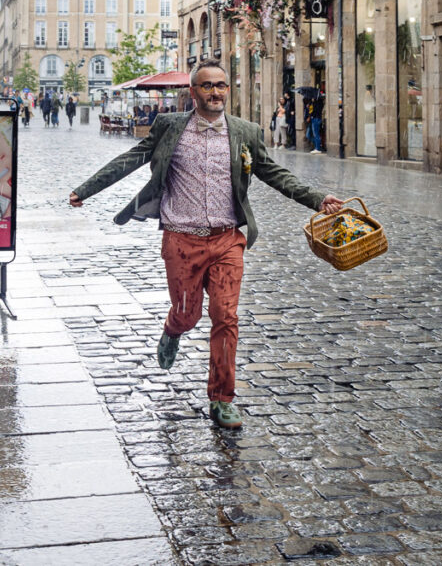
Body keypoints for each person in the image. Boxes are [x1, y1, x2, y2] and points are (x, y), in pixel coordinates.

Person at [68, 60, 344, 429]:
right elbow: (130, 159)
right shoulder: (169, 128)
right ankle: (173, 328)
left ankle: (221, 397)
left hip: (228, 239)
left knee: (226, 317)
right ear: (193, 92)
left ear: (228, 89)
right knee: (188, 314)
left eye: (221, 86)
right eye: (207, 86)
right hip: (181, 240)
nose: (216, 92)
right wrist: (85, 190)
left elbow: (274, 173)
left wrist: (317, 198)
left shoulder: (245, 132)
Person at [309, 87, 325, 154]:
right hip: (315, 118)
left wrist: (313, 103)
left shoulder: (318, 102)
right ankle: (317, 147)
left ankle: (318, 148)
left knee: (316, 133)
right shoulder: (317, 102)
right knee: (315, 133)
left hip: (316, 118)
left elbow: (315, 111)